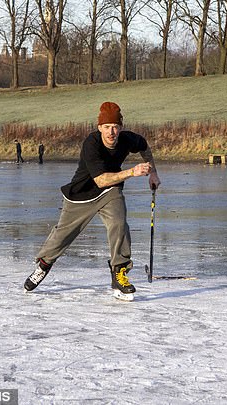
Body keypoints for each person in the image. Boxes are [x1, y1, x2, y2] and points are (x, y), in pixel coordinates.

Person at [24, 101, 161, 299]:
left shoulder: (128, 139)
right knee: (62, 235)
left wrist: (153, 173)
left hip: (110, 193)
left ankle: (119, 273)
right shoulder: (91, 143)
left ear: (121, 127)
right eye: (107, 127)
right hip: (81, 195)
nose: (111, 132)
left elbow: (145, 147)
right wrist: (132, 172)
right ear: (99, 128)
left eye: (115, 127)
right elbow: (101, 179)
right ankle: (44, 265)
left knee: (119, 224)